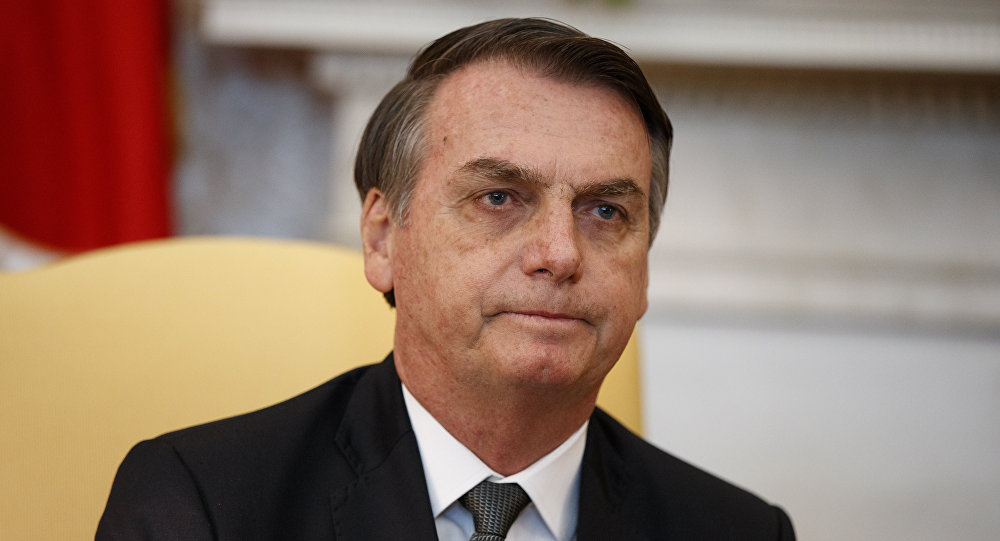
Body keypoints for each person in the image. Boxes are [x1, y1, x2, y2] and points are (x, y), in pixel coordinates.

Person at [97, 18, 795, 540]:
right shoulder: (202, 506)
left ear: (643, 271)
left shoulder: (739, 532)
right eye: (498, 198)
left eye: (605, 211)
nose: (560, 254)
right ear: (382, 238)